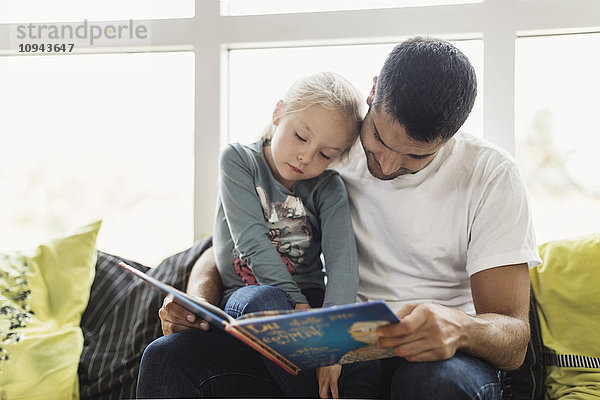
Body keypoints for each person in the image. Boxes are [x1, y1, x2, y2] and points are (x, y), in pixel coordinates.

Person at [138, 36, 541, 400]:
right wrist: (198, 301)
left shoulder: (490, 174)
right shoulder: (325, 148)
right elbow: (235, 239)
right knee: (169, 358)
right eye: (380, 139)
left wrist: (462, 328)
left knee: (431, 385)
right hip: (333, 341)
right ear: (372, 91)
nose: (386, 164)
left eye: (417, 156)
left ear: (451, 136)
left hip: (439, 355)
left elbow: (514, 338)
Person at [138, 71, 363, 398]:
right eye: (301, 136)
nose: (306, 156)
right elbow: (251, 243)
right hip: (241, 303)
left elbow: (343, 264)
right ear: (278, 113)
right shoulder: (239, 160)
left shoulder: (328, 187)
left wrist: (332, 344)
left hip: (304, 308)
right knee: (162, 353)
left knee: (271, 303)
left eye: (325, 155)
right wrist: (295, 304)